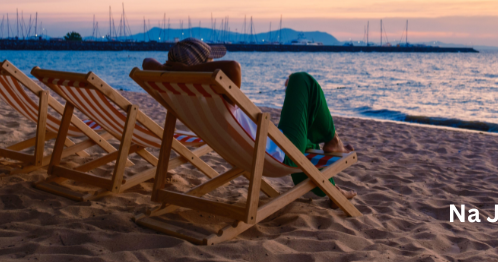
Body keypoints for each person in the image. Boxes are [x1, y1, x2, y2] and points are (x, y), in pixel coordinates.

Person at [143, 38, 357, 202]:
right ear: (204, 65)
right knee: (301, 80)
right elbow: (234, 68)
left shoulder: (186, 94)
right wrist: (191, 70)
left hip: (250, 150)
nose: (215, 62)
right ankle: (333, 140)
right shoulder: (217, 90)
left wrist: (179, 70)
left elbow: (147, 62)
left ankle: (331, 191)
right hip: (277, 153)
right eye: (211, 60)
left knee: (308, 139)